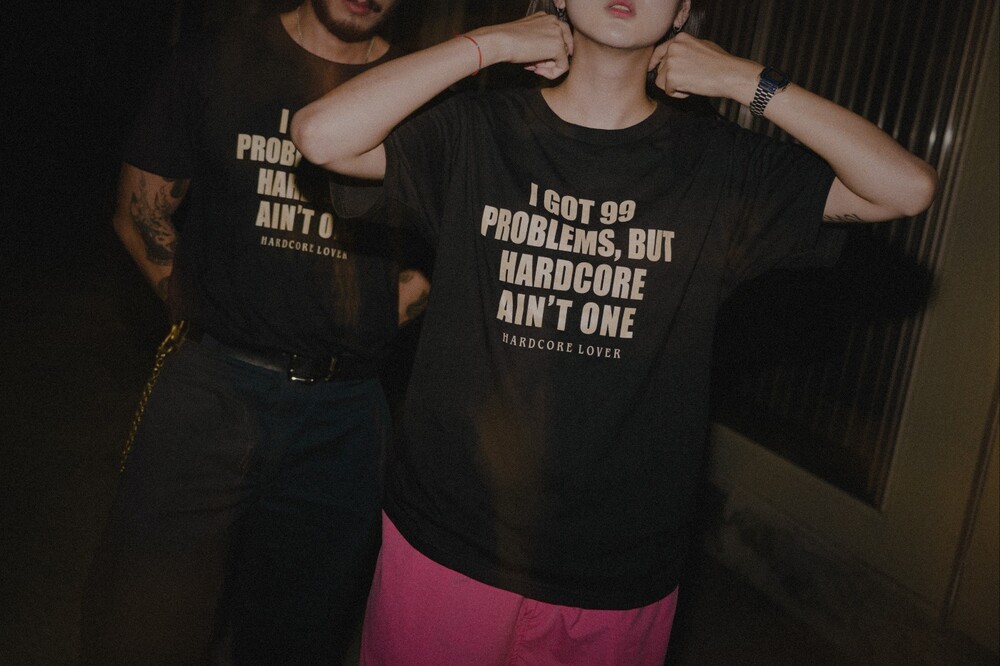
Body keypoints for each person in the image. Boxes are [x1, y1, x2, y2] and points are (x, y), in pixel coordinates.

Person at [292, 0, 938, 663]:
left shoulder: (719, 163)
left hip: (617, 570)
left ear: (682, 10)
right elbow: (320, 135)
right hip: (450, 539)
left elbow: (904, 189)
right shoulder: (478, 132)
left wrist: (744, 80)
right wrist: (492, 43)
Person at [81, 1, 429, 664]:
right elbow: (140, 209)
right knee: (146, 624)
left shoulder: (421, 92)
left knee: (298, 637)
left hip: (344, 413)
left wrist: (378, 317)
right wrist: (204, 309)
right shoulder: (217, 61)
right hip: (211, 387)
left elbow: (446, 245)